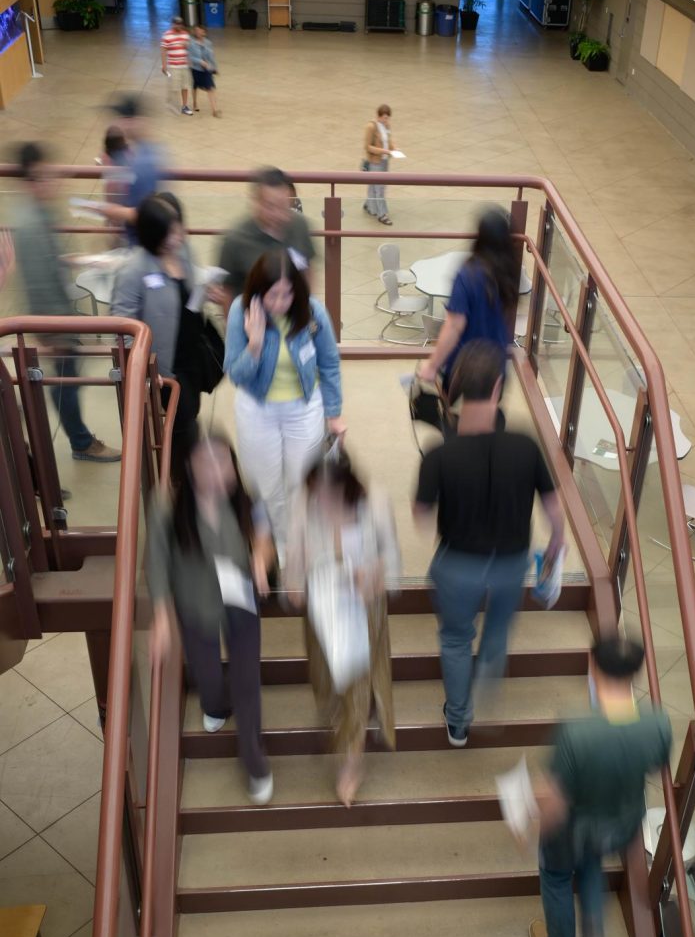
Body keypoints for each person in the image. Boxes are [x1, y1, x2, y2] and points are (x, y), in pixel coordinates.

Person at [414, 339, 564, 748]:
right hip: (511, 562)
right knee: (497, 631)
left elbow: (422, 516)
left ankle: (458, 721)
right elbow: (554, 510)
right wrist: (555, 548)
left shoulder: (439, 454)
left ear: (457, 387)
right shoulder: (525, 446)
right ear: (498, 388)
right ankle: (489, 683)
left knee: (456, 638)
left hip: (459, 564)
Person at [530, 635, 672, 937]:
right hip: (619, 825)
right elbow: (655, 766)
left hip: (573, 829)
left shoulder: (576, 732)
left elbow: (556, 800)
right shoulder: (657, 723)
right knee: (591, 866)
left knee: (556, 876)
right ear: (636, 672)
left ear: (592, 668)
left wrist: (531, 827)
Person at [147, 433, 274, 805]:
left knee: (247, 681)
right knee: (206, 673)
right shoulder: (166, 507)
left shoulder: (247, 498)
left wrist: (261, 564)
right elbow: (156, 563)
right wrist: (160, 618)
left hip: (240, 599)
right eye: (206, 463)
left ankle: (254, 760)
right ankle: (216, 704)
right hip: (194, 602)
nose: (217, 472)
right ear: (188, 468)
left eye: (223, 461)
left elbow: (265, 536)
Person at [285, 450, 400, 806]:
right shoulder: (304, 503)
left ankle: (353, 763)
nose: (321, 499)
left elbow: (392, 562)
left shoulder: (375, 502)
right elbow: (293, 565)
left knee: (359, 686)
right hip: (324, 612)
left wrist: (373, 576)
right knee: (328, 682)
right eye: (316, 490)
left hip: (364, 610)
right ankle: (341, 725)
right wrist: (298, 585)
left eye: (328, 491)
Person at [224, 251, 344, 565]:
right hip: (257, 409)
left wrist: (334, 413)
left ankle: (301, 546)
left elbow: (329, 364)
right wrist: (255, 343)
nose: (279, 303)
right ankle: (279, 546)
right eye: (272, 295)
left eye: (287, 294)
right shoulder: (241, 311)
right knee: (267, 486)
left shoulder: (313, 312)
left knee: (301, 481)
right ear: (258, 292)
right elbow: (235, 375)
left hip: (303, 408)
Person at [13, 142, 121, 463]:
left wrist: (77, 259)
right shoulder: (31, 224)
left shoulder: (39, 214)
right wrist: (53, 332)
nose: (55, 180)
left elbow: (48, 263)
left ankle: (80, 438)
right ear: (32, 181)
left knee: (67, 379)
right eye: (47, 176)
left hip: (59, 319)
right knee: (65, 382)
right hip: (55, 323)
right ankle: (81, 442)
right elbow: (37, 282)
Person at [111, 194, 202, 463]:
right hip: (164, 366)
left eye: (178, 228)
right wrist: (143, 369)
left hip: (191, 354)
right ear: (153, 235)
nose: (179, 236)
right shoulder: (133, 271)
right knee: (183, 422)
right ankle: (179, 474)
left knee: (191, 411)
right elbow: (122, 328)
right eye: (170, 232)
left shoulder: (183, 251)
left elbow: (189, 294)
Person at [420, 207, 520, 395]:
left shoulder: (467, 275)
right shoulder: (509, 273)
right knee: (484, 422)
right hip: (495, 369)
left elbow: (454, 326)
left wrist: (432, 366)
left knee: (459, 422)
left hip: (465, 370)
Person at [218, 167, 316, 308]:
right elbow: (227, 292)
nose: (278, 214)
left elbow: (308, 270)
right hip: (252, 322)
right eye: (270, 206)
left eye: (284, 206)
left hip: (294, 319)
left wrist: (307, 306)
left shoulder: (300, 225)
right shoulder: (235, 240)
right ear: (255, 202)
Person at [95, 96, 166, 245]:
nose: (119, 124)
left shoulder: (143, 162)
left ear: (138, 121)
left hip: (141, 242)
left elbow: (143, 212)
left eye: (125, 119)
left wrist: (109, 211)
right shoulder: (139, 153)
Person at [363, 104, 396, 226]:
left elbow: (388, 140)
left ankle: (370, 205)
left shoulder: (386, 126)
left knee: (374, 186)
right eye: (384, 118)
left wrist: (394, 149)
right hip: (375, 162)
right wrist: (384, 151)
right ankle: (382, 214)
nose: (386, 121)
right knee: (379, 188)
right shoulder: (371, 127)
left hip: (385, 160)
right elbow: (367, 147)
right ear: (378, 116)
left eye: (388, 118)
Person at [161, 16, 193, 115]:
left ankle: (184, 106)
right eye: (176, 23)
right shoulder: (166, 35)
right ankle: (173, 105)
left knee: (185, 86)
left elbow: (190, 48)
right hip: (173, 66)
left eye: (179, 24)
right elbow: (163, 51)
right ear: (173, 24)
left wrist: (187, 46)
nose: (178, 25)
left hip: (184, 65)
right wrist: (164, 65)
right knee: (174, 87)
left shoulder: (186, 35)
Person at [189, 25, 221, 117]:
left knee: (210, 88)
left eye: (200, 31)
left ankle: (214, 110)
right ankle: (195, 102)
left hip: (207, 69)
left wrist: (214, 67)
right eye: (197, 31)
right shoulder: (191, 43)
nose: (198, 33)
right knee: (195, 86)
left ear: (204, 32)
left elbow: (211, 56)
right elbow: (190, 57)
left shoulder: (208, 43)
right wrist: (200, 61)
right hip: (196, 69)